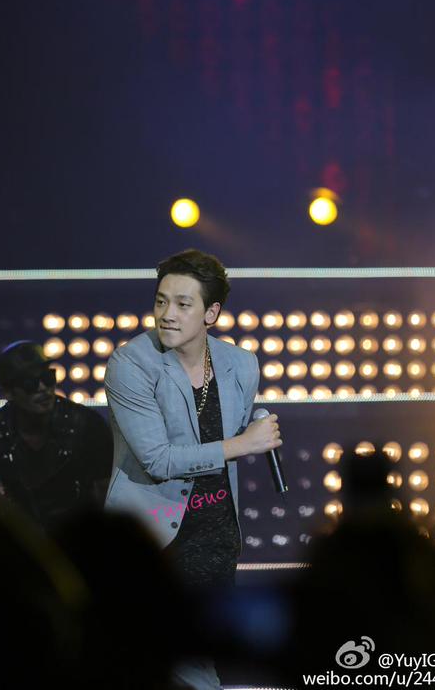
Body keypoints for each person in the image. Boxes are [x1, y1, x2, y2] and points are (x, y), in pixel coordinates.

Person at [104, 248, 282, 690]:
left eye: (183, 304)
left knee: (199, 655)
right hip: (155, 536)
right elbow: (158, 460)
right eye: (161, 301)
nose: (167, 314)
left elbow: (232, 437)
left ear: (211, 313)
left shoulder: (241, 364)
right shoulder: (131, 365)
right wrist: (244, 444)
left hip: (217, 534)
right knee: (177, 664)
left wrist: (249, 433)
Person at [0, 340, 114, 532]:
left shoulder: (86, 424)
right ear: (8, 392)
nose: (42, 388)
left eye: (48, 377)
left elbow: (109, 494)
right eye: (29, 383)